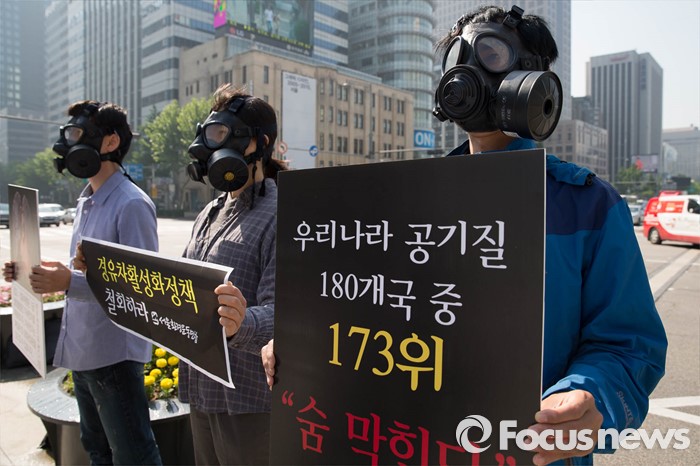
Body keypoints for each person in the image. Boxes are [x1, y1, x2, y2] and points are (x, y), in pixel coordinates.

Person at [263, 5, 668, 466]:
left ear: (534, 81)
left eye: (490, 54)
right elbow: (367, 305)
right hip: (412, 443)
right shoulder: (407, 198)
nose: (466, 70)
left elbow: (627, 345)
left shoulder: (587, 205)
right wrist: (301, 345)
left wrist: (590, 396)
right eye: (456, 57)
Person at [3, 100, 162, 465]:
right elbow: (89, 271)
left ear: (110, 142)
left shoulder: (131, 204)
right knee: (97, 450)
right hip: (85, 351)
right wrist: (33, 271)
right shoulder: (87, 201)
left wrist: (68, 282)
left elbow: (140, 288)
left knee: (134, 455)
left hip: (114, 356)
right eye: (69, 134)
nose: (69, 143)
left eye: (78, 133)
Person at [179, 83, 284, 465]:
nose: (213, 146)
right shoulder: (209, 212)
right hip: (201, 387)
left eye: (224, 134)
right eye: (210, 135)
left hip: (247, 398)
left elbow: (283, 312)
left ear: (261, 143)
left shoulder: (282, 211)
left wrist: (241, 323)